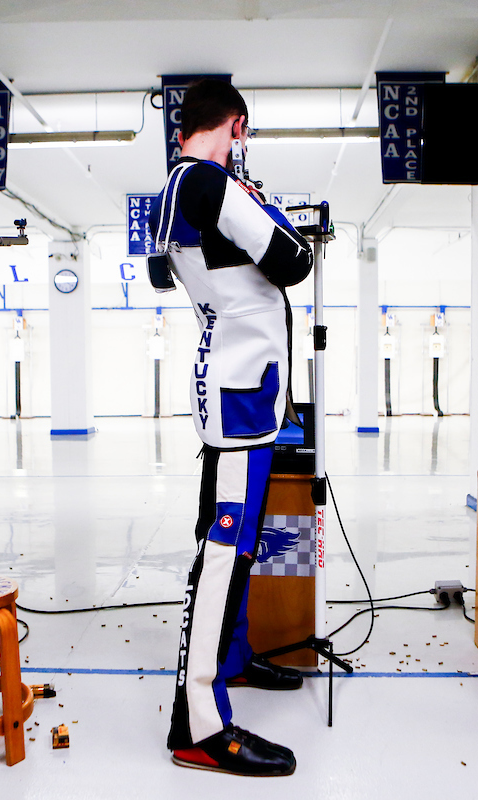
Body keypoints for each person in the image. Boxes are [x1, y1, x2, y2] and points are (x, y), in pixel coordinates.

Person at [148, 79, 313, 776]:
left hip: (233, 384)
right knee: (226, 551)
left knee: (233, 544)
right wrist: (266, 209)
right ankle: (201, 724)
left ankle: (233, 660)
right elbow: (294, 260)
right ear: (236, 125)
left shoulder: (175, 187)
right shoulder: (210, 185)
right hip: (242, 397)